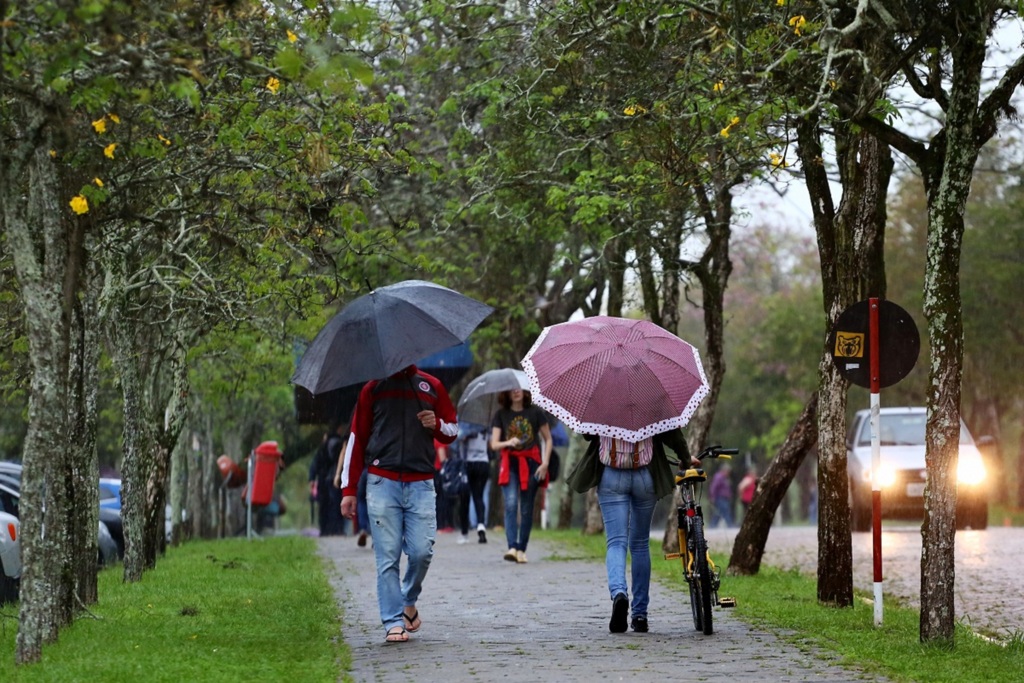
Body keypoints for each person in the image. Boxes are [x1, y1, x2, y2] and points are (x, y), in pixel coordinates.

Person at [339, 364, 458, 643]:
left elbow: (452, 429)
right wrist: (349, 489)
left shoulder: (432, 386)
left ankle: (408, 599)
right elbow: (357, 439)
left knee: (421, 552)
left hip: (421, 483)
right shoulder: (373, 388)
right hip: (382, 482)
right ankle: (393, 621)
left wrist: (436, 424)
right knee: (387, 556)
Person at [566, 428, 699, 633]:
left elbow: (588, 433)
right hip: (645, 475)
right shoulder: (652, 400)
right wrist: (686, 459)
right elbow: (672, 434)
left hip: (611, 475)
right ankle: (639, 615)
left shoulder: (603, 401)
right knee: (639, 544)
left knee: (616, 542)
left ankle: (619, 593)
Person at [489, 388, 552, 564]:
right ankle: (512, 547)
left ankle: (521, 549)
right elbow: (494, 444)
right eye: (512, 389)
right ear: (506, 394)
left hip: (531, 464)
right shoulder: (501, 414)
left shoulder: (535, 412)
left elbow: (548, 439)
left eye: (519, 388)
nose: (516, 392)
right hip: (510, 464)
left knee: (526, 508)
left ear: (525, 392)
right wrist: (509, 442)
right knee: (510, 503)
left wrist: (545, 463)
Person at [454, 423, 491, 544]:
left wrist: (463, 436)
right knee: (478, 496)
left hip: (467, 463)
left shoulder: (464, 422)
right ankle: (481, 524)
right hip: (483, 462)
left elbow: (455, 440)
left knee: (464, 498)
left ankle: (464, 532)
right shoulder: (486, 422)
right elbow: (491, 443)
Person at [309, 423, 347, 536]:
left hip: (323, 479)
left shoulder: (324, 446)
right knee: (335, 504)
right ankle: (336, 528)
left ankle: (325, 529)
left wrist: (312, 477)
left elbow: (315, 463)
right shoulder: (337, 443)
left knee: (325, 506)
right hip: (333, 476)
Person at [709, 463, 734, 528]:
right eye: (728, 472)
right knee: (726, 511)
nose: (728, 473)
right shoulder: (718, 477)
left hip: (724, 498)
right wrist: (712, 497)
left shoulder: (725, 478)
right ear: (724, 470)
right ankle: (730, 525)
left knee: (718, 513)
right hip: (720, 498)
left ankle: (712, 526)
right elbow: (714, 487)